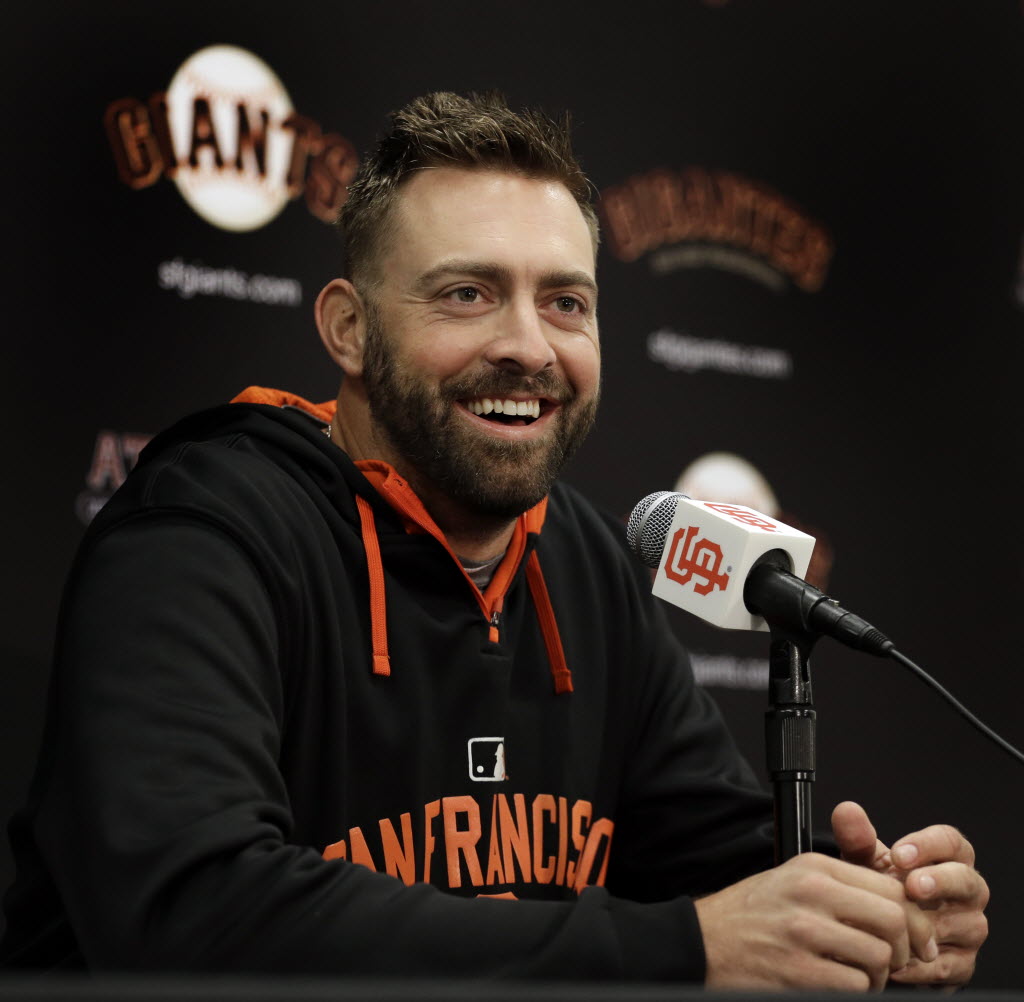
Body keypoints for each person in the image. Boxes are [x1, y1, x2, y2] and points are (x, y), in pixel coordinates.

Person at [0, 91, 987, 988]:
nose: (527, 344)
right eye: (466, 293)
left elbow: (727, 870)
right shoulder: (200, 535)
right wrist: (688, 949)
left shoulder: (588, 565)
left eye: (565, 302)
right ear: (348, 329)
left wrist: (870, 908)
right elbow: (190, 914)